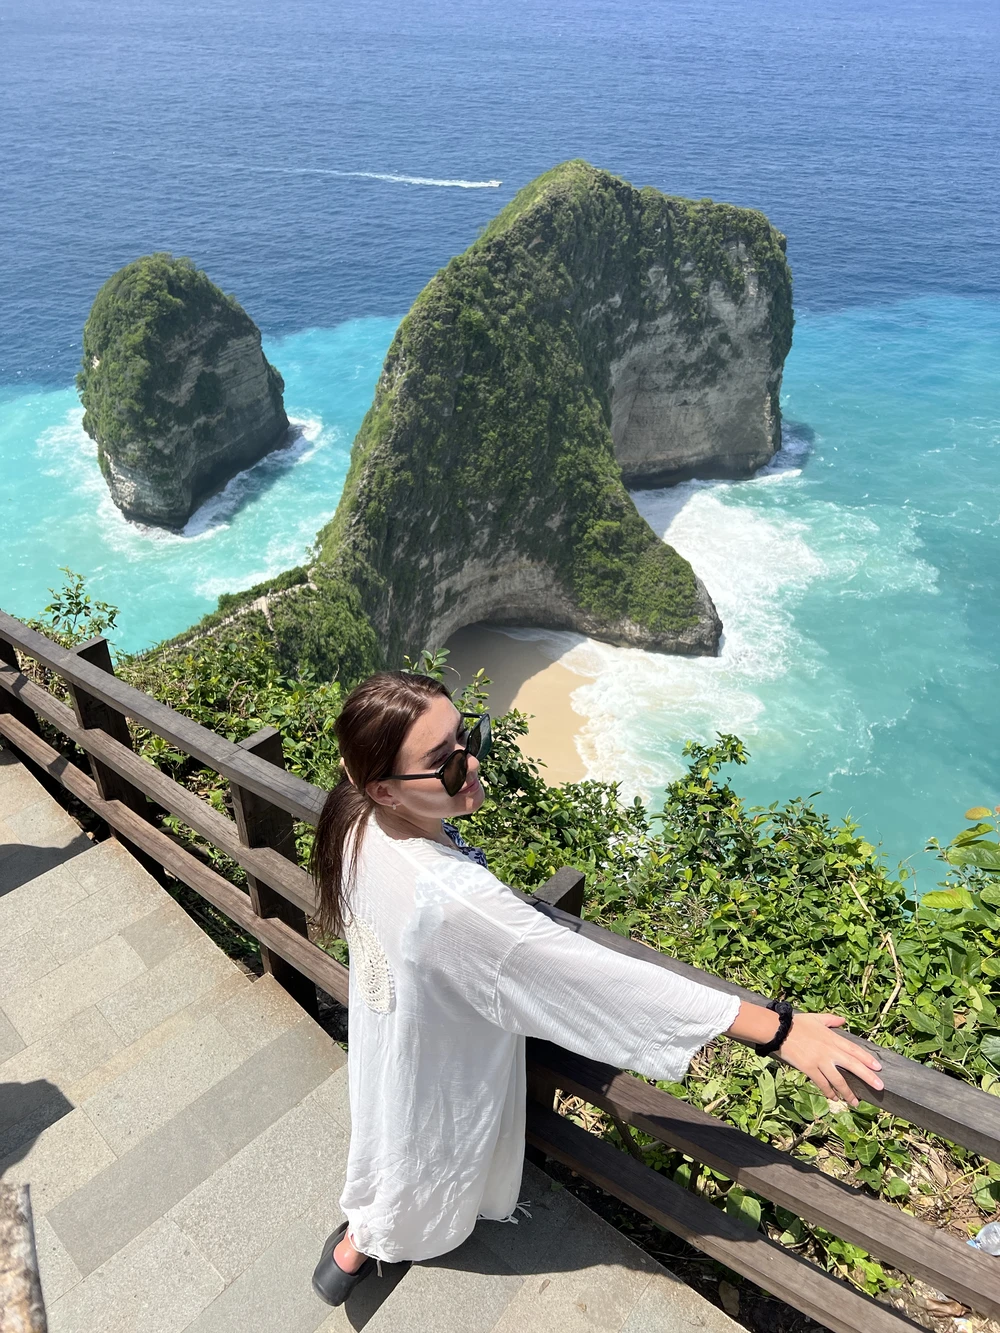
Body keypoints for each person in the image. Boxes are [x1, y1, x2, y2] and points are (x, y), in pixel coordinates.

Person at [309, 671, 883, 1306]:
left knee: (392, 1125)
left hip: (391, 1028)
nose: (470, 765)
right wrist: (777, 1030)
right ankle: (372, 1236)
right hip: (444, 1050)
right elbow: (604, 983)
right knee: (429, 1138)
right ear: (384, 788)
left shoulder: (356, 818)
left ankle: (365, 1230)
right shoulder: (455, 904)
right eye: (443, 764)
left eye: (468, 738)